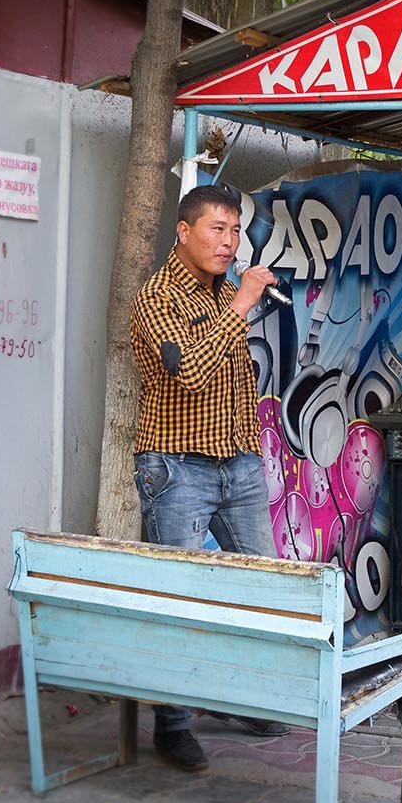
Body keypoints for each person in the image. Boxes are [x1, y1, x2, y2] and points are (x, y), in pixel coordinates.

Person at [129, 183, 292, 772]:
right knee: (179, 598)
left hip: (237, 465)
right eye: (217, 229)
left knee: (265, 588)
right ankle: (172, 726)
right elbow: (192, 373)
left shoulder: (225, 290)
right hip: (176, 468)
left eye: (235, 231)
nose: (229, 242)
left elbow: (235, 381)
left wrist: (250, 449)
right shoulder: (157, 297)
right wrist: (242, 302)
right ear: (184, 231)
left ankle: (240, 697)